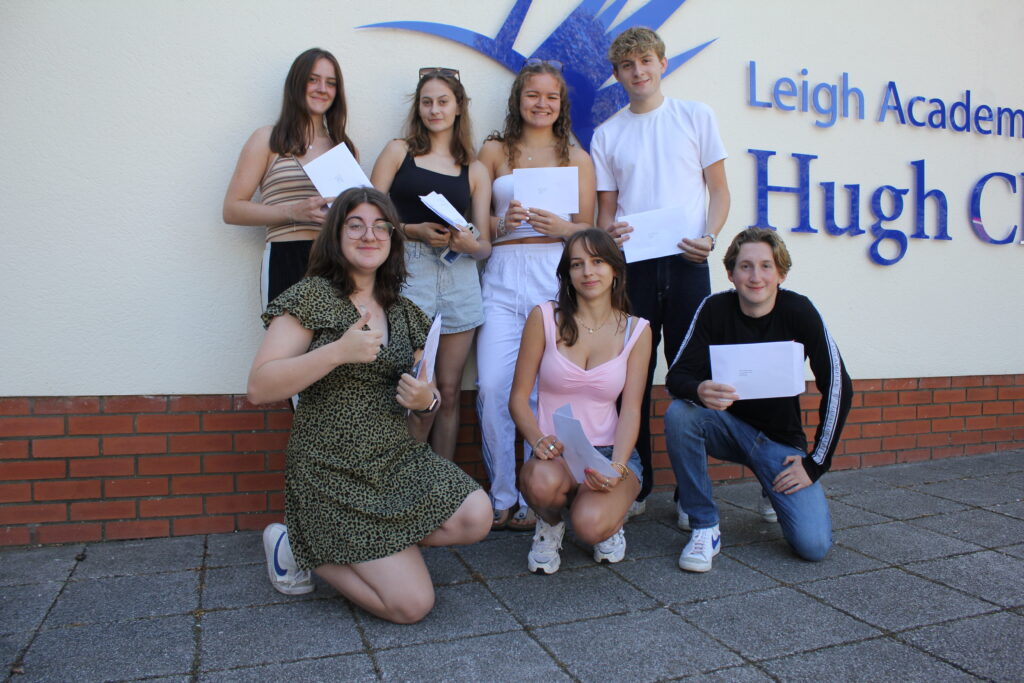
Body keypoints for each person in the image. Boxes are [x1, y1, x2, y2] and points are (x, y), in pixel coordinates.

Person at [247, 187, 491, 624]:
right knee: (411, 606)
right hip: (330, 468)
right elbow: (259, 387)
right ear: (336, 235)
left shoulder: (402, 310)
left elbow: (427, 392)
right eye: (355, 225)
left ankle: (374, 546)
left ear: (393, 239)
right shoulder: (311, 297)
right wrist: (336, 352)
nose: (369, 235)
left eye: (381, 226)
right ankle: (298, 542)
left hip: (394, 461)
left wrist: (426, 401)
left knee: (477, 516)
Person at [591, 27, 731, 517]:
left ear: (663, 63)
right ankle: (638, 483)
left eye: (646, 61)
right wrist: (610, 238)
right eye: (628, 65)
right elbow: (605, 214)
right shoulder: (607, 133)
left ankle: (689, 496)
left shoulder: (695, 115)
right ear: (617, 74)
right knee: (632, 378)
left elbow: (719, 191)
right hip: (634, 270)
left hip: (690, 263)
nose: (639, 72)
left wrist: (711, 238)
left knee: (690, 374)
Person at [664, 228, 852, 572]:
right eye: (746, 266)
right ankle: (704, 525)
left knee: (813, 546)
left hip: (780, 445)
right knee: (680, 413)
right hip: (728, 429)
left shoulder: (799, 310)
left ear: (781, 273)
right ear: (731, 273)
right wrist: (698, 389)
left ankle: (771, 486)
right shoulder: (713, 308)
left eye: (766, 266)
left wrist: (815, 464)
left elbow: (839, 385)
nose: (756, 276)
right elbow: (677, 376)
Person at [476, 60, 596, 531]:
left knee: (545, 390)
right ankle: (501, 491)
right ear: (518, 100)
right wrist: (499, 223)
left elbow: (591, 231)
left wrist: (564, 228)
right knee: (492, 386)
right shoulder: (493, 151)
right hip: (503, 273)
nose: (541, 104)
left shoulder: (577, 156)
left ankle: (533, 491)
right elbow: (473, 220)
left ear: (561, 103)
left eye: (550, 96)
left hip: (553, 275)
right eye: (533, 95)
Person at [510, 229, 651, 573]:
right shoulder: (544, 317)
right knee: (541, 485)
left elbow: (632, 409)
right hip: (554, 450)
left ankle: (608, 523)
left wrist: (617, 467)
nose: (588, 271)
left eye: (598, 261)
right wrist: (537, 440)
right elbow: (516, 398)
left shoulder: (637, 330)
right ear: (567, 274)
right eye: (577, 264)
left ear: (615, 269)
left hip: (607, 453)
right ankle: (550, 523)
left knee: (590, 525)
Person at [371, 67, 491, 462]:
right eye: (427, 102)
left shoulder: (474, 169)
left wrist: (469, 241)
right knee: (418, 384)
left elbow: (485, 247)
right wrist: (411, 230)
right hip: (409, 272)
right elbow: (368, 220)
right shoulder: (398, 151)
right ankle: (405, 480)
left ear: (458, 108)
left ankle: (442, 487)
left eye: (443, 102)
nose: (434, 110)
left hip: (458, 276)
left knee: (452, 390)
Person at [223, 47, 358, 310]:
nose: (322, 88)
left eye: (331, 83)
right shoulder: (267, 140)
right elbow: (232, 209)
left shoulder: (342, 147)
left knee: (336, 349)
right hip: (286, 256)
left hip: (336, 260)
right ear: (296, 83)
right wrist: (292, 211)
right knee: (285, 349)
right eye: (313, 79)